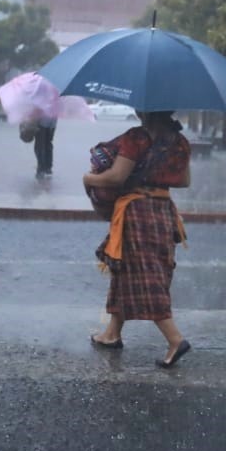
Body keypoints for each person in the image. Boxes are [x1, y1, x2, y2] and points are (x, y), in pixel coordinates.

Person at [82, 110, 193, 368]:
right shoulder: (180, 142)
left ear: (144, 111)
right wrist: (158, 176)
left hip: (138, 211)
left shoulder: (137, 138)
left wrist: (89, 178)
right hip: (163, 211)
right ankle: (111, 333)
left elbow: (116, 177)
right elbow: (184, 181)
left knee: (146, 275)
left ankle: (175, 339)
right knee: (127, 269)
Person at [33, 114, 56, 179]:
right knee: (48, 144)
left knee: (39, 145)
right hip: (52, 123)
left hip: (41, 123)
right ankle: (48, 167)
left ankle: (41, 168)